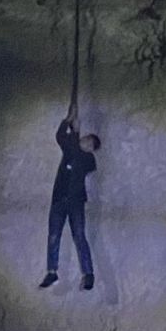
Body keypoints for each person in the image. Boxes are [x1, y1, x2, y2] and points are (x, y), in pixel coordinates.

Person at [40, 107, 100, 290]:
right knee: (53, 236)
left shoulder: (89, 160)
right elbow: (60, 136)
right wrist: (68, 120)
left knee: (79, 236)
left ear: (91, 148)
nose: (84, 141)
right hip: (59, 200)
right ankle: (52, 272)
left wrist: (75, 131)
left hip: (75, 203)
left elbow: (79, 158)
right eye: (85, 138)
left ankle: (88, 274)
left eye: (88, 142)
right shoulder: (70, 148)